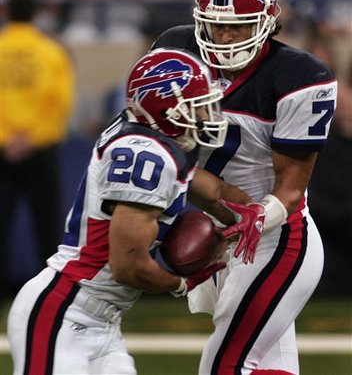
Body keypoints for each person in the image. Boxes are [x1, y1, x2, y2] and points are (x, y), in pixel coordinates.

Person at [7, 47, 262, 375]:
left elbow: (212, 192)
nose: (206, 115)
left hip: (102, 322)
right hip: (64, 313)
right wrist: (182, 283)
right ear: (165, 108)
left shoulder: (156, 141)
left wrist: (256, 216)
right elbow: (127, 266)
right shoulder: (143, 155)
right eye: (195, 106)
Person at [151, 0, 338, 375]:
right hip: (215, 219)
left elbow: (290, 190)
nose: (225, 35)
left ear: (269, 21)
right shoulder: (175, 50)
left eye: (239, 24)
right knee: (266, 366)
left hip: (273, 235)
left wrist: (242, 225)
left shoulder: (300, 76)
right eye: (217, 23)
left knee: (225, 365)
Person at [0, 0, 75, 301]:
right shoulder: (51, 51)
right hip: (39, 147)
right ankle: (50, 289)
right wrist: (30, 136)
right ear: (35, 14)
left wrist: (8, 138)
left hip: (3, 149)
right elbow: (60, 100)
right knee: (46, 222)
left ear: (6, 12)